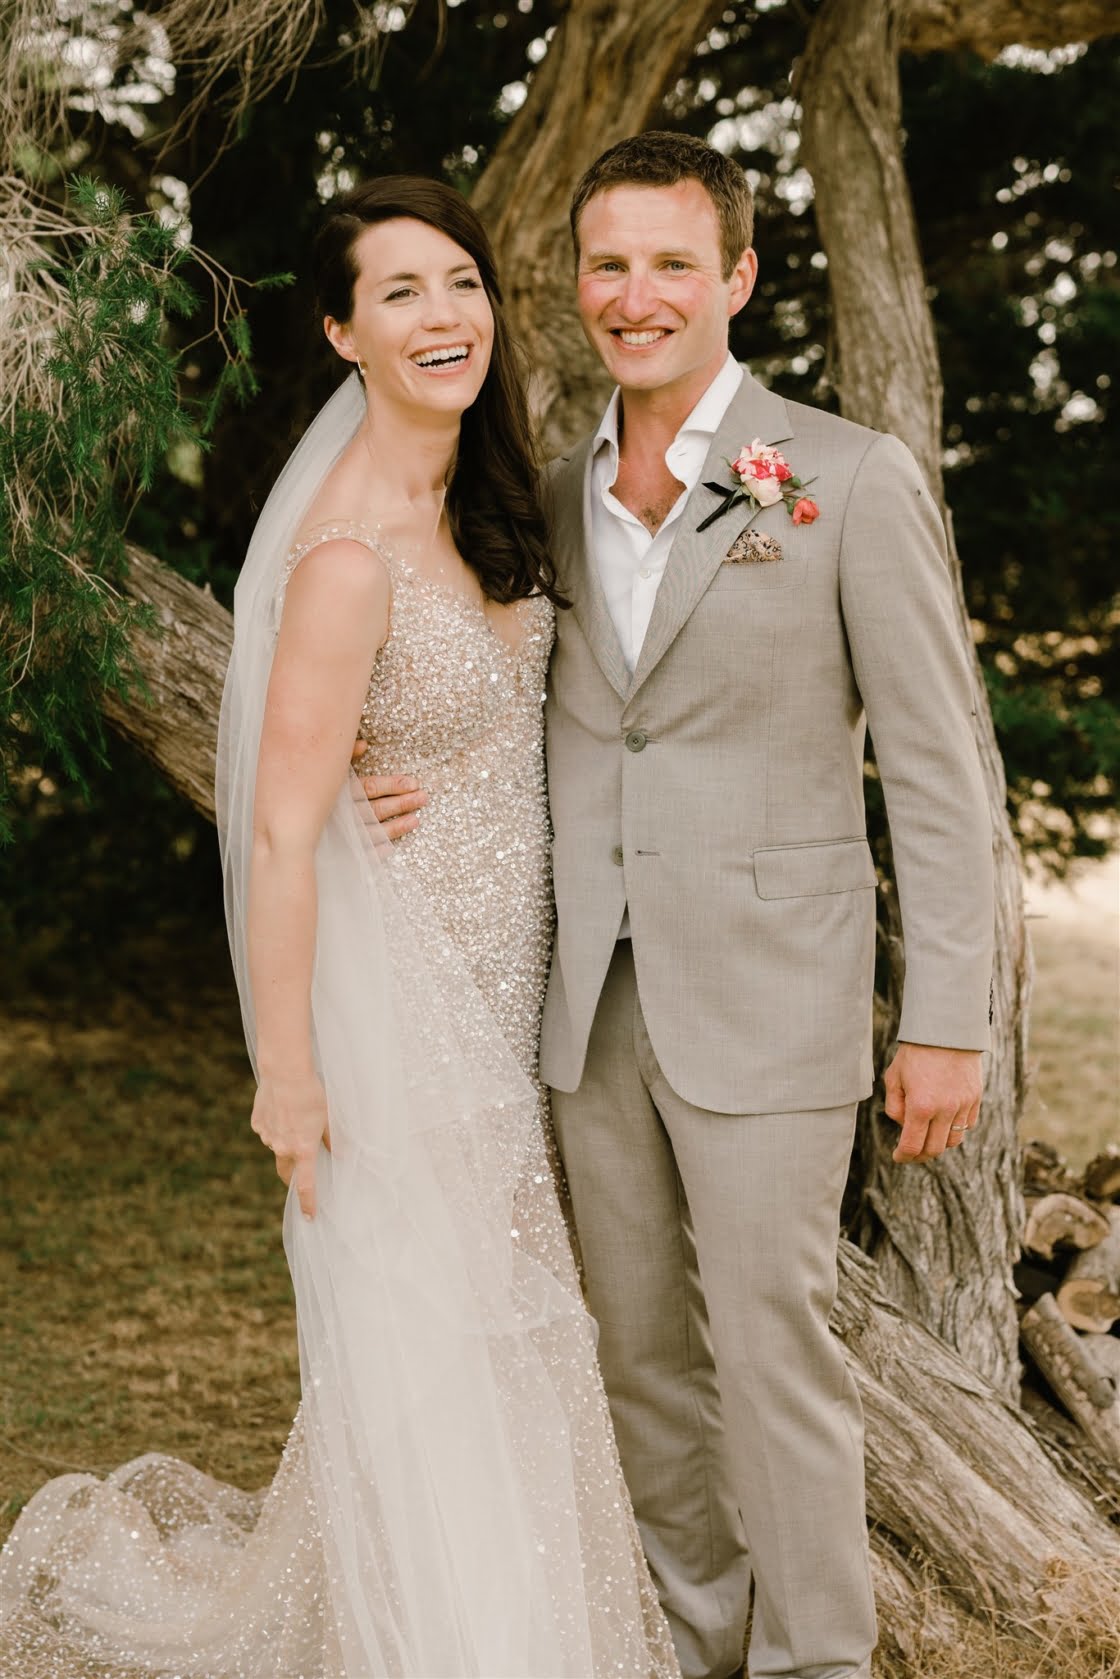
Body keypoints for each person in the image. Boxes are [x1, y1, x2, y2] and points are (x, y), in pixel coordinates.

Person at [0, 178, 679, 1679]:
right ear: (340, 333)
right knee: (436, 1335)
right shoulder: (345, 558)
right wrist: (291, 1074)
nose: (445, 316)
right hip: (405, 1008)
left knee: (505, 1328)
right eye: (401, 293)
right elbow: (280, 833)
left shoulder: (490, 507)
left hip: (518, 986)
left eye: (462, 282)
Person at [362, 133, 995, 1679]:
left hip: (773, 992)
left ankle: (818, 1661)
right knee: (639, 1355)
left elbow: (937, 770)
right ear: (577, 282)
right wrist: (405, 778)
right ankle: (696, 1644)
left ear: (738, 278)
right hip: (590, 1000)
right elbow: (525, 707)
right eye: (609, 264)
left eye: (671, 264)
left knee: (776, 1349)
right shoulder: (548, 494)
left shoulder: (841, 479)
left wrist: (949, 1020)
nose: (635, 296)